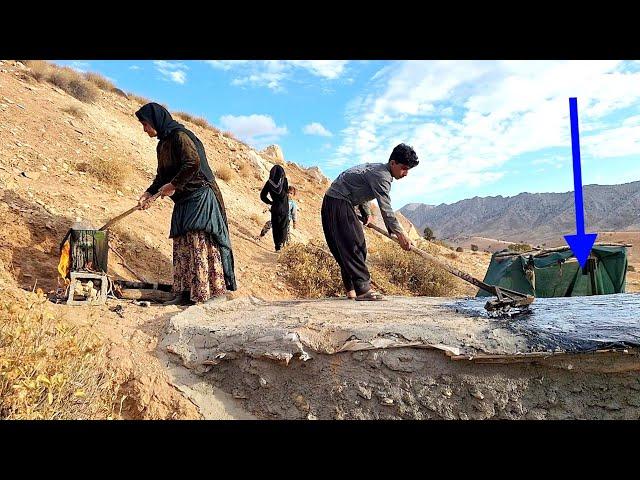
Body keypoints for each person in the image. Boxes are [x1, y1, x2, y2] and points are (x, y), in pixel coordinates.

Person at [134, 102, 236, 305]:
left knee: (199, 242)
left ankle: (212, 294)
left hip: (200, 196)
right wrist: (149, 193)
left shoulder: (180, 136)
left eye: (145, 124)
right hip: (183, 199)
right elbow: (162, 176)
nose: (144, 129)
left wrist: (173, 185)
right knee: (182, 245)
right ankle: (185, 293)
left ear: (155, 121)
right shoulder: (163, 144)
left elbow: (193, 163)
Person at [321, 143, 419, 301]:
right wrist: (400, 234)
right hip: (339, 202)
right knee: (355, 246)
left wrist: (366, 212)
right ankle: (363, 289)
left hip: (334, 202)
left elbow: (359, 188)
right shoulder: (382, 176)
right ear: (393, 163)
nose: (406, 173)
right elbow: (386, 208)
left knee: (346, 247)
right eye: (404, 168)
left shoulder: (376, 169)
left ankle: (351, 291)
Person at [260, 165, 289, 252]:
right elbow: (287, 191)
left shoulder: (269, 183)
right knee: (283, 227)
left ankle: (277, 247)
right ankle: (282, 246)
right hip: (284, 207)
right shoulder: (285, 180)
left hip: (275, 207)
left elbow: (262, 196)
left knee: (275, 227)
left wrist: (270, 202)